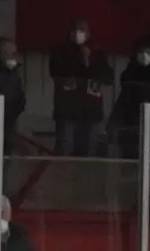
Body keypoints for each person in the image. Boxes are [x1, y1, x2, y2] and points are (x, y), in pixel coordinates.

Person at [48, 19, 112, 157]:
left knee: (89, 153)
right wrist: (78, 58)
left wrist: (88, 61)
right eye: (75, 29)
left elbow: (108, 77)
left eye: (82, 30)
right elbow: (56, 72)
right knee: (64, 150)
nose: (78, 33)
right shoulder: (59, 51)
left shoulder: (98, 52)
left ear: (88, 33)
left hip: (91, 111)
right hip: (67, 110)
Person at [109, 42, 150, 160]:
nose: (144, 55)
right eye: (141, 52)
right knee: (129, 155)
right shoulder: (130, 76)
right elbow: (122, 102)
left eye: (148, 52)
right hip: (131, 125)